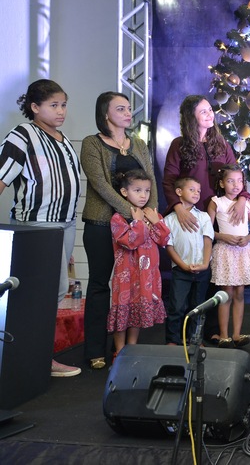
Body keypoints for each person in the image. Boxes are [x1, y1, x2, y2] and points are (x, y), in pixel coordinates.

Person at [0, 79, 82, 377]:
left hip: (65, 223)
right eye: (53, 105)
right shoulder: (22, 135)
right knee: (43, 292)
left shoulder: (62, 139)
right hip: (37, 225)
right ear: (34, 107)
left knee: (54, 291)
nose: (61, 111)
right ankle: (36, 359)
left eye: (63, 105)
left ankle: (38, 356)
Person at [162, 95, 250, 344]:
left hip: (218, 215)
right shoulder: (179, 145)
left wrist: (242, 198)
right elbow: (169, 180)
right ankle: (179, 334)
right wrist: (178, 207)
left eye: (210, 110)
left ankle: (211, 330)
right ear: (191, 117)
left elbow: (236, 176)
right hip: (190, 217)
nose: (210, 114)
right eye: (203, 111)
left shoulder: (221, 144)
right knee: (189, 275)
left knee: (214, 274)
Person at [82, 91, 157, 370]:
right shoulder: (92, 143)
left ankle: (125, 349)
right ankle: (95, 351)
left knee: (133, 287)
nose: (128, 113)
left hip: (137, 227)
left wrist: (150, 214)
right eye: (120, 109)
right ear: (105, 114)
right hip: (101, 223)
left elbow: (151, 181)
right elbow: (100, 185)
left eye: (128, 108)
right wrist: (131, 211)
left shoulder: (138, 143)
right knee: (100, 285)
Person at [108, 170, 169, 357]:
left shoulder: (151, 214)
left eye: (147, 191)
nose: (143, 195)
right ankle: (119, 352)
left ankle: (132, 348)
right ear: (124, 192)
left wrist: (156, 221)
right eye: (137, 190)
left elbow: (164, 239)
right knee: (123, 311)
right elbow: (130, 241)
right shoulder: (119, 217)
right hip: (126, 275)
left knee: (136, 313)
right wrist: (138, 222)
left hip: (146, 275)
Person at [208, 165, 250, 348]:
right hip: (225, 252)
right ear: (222, 183)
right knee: (226, 294)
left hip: (242, 252)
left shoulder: (247, 203)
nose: (236, 185)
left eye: (239, 181)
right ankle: (224, 335)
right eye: (230, 181)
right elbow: (208, 230)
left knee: (239, 293)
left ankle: (236, 334)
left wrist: (247, 238)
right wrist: (223, 237)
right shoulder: (216, 202)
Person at [163, 176, 214, 346]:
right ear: (179, 191)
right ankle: (172, 339)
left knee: (198, 306)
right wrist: (183, 265)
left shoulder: (204, 217)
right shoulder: (169, 219)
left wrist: (205, 263)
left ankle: (195, 339)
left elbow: (208, 241)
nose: (196, 193)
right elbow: (169, 246)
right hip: (180, 270)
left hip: (202, 269)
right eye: (192, 189)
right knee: (177, 306)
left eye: (198, 190)